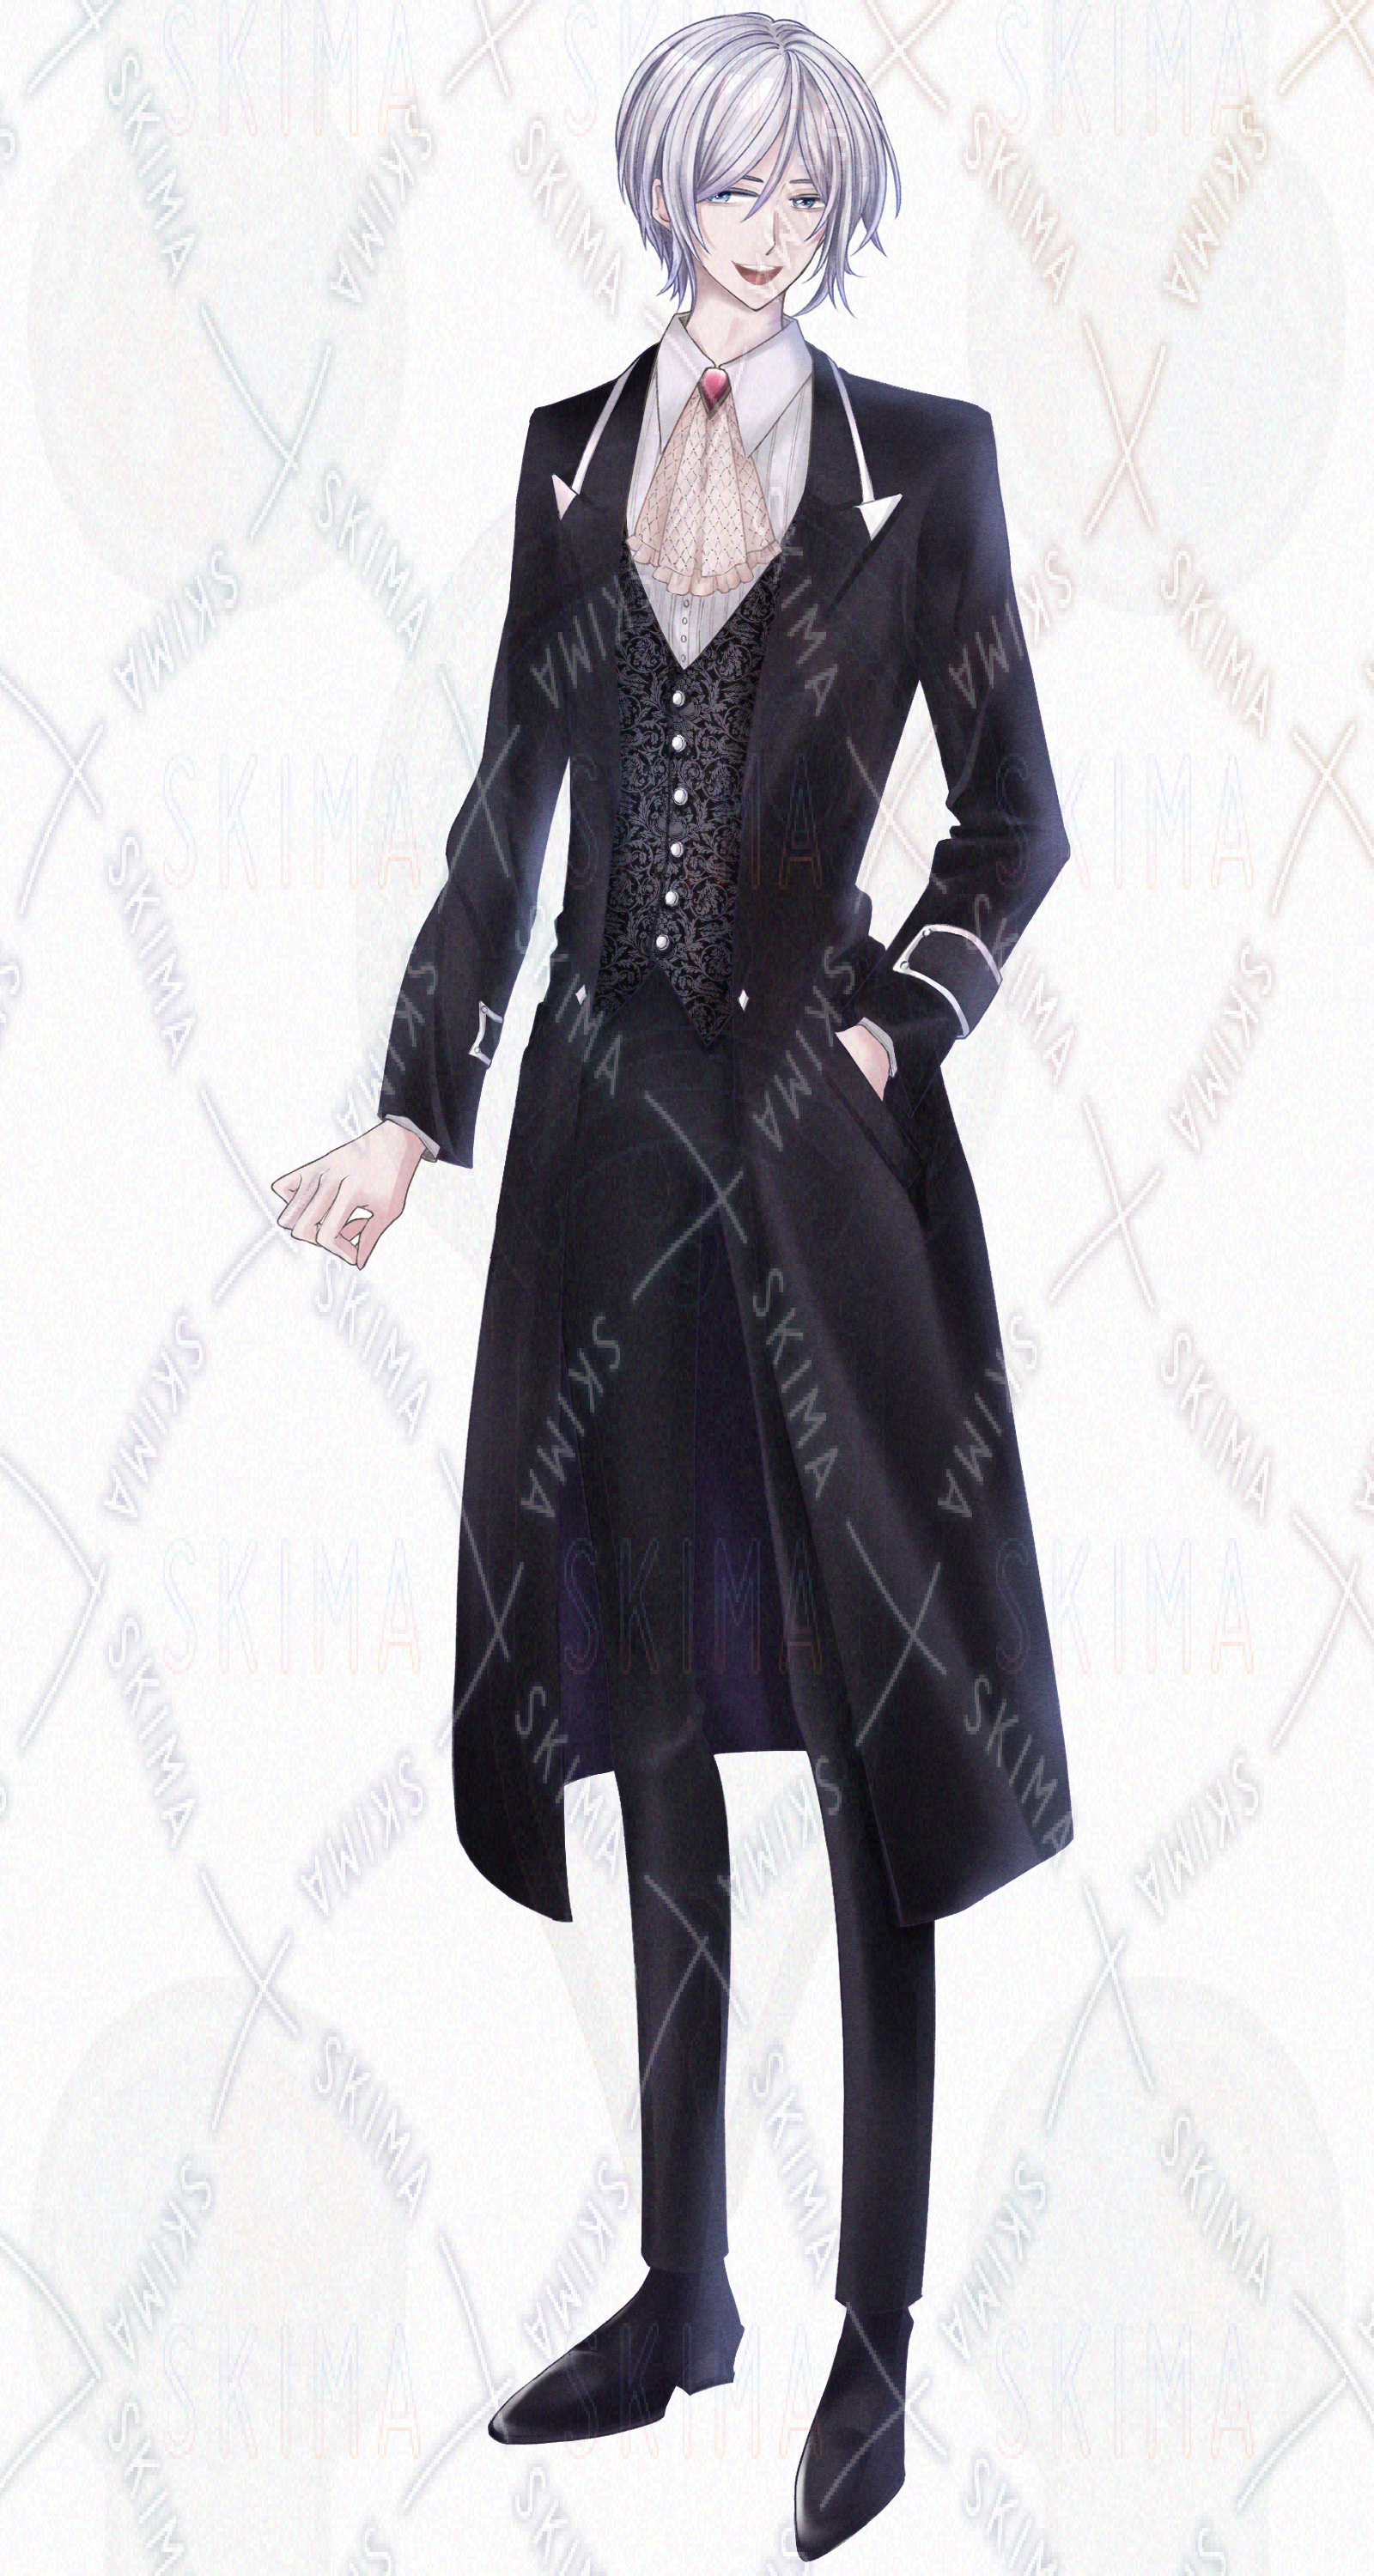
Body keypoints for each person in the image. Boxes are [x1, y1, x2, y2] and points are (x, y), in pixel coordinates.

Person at [273, 13, 1079, 2559]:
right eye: (730, 193)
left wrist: (901, 1012)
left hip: (823, 1187)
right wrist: (415, 1107)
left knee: (865, 1749)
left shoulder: (924, 460)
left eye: (804, 199)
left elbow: (1022, 803)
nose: (767, 241)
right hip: (606, 1168)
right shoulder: (559, 454)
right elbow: (505, 806)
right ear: (666, 199)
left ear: (838, 210)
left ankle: (873, 2360)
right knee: (644, 1721)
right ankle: (682, 2300)